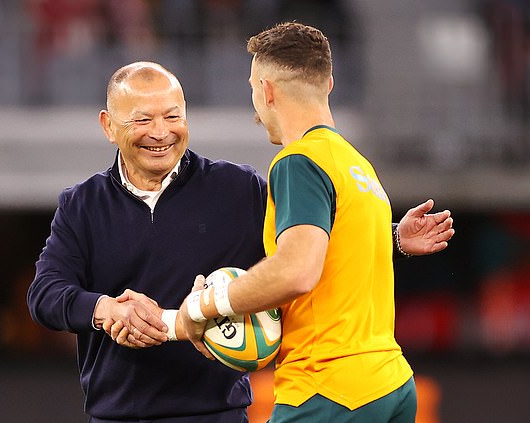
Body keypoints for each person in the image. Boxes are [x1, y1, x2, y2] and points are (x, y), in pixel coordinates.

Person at [175, 22, 455, 423]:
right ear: (329, 84)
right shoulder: (357, 164)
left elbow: (297, 271)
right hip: (390, 384)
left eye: (253, 87)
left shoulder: (297, 162)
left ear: (267, 91)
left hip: (330, 387)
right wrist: (390, 237)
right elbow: (337, 255)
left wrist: (204, 306)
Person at [27, 61, 268, 422]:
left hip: (218, 414)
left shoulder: (240, 189)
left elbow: (308, 249)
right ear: (108, 126)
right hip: (118, 417)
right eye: (142, 120)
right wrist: (106, 309)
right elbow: (43, 294)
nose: (161, 133)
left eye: (173, 117)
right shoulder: (81, 204)